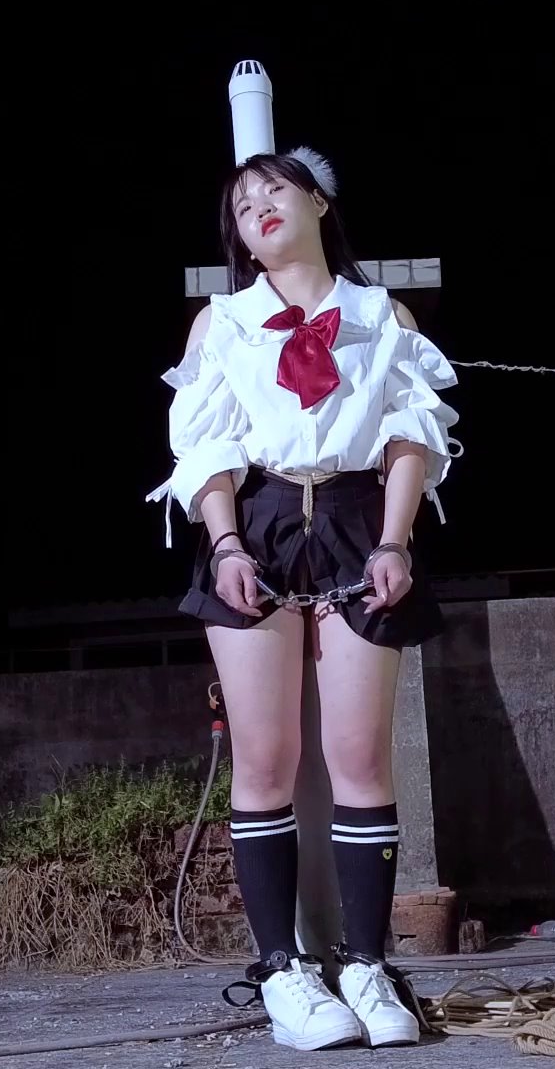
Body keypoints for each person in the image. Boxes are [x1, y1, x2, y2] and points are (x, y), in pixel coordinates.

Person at [147, 149, 459, 1050]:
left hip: (361, 520)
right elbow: (205, 448)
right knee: (266, 759)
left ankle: (366, 965)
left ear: (319, 202)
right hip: (260, 521)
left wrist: (396, 539)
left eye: (274, 189)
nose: (259, 208)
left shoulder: (381, 315)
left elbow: (411, 433)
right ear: (241, 240)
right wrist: (226, 544)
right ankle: (283, 971)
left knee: (359, 756)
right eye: (242, 206)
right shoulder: (223, 323)